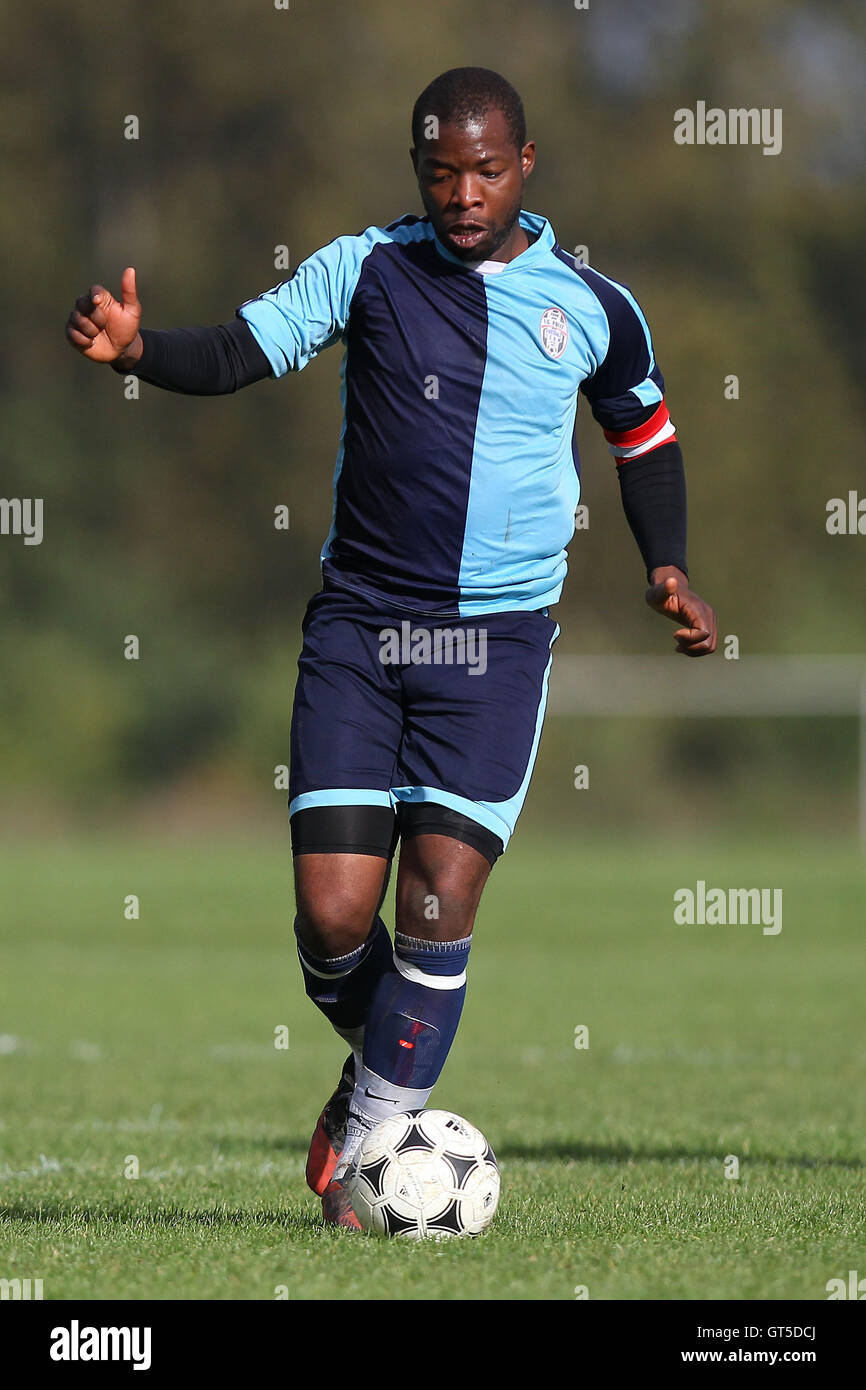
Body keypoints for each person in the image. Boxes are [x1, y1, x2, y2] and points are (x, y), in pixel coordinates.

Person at [65, 66, 717, 1228]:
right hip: (363, 630)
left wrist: (664, 562)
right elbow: (239, 350)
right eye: (438, 172)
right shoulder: (363, 268)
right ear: (416, 172)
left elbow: (644, 432)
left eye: (482, 169)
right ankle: (385, 1074)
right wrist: (137, 352)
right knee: (331, 919)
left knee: (441, 895)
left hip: (497, 642)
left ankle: (368, 1149)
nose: (461, 193)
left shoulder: (592, 304)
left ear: (526, 166)